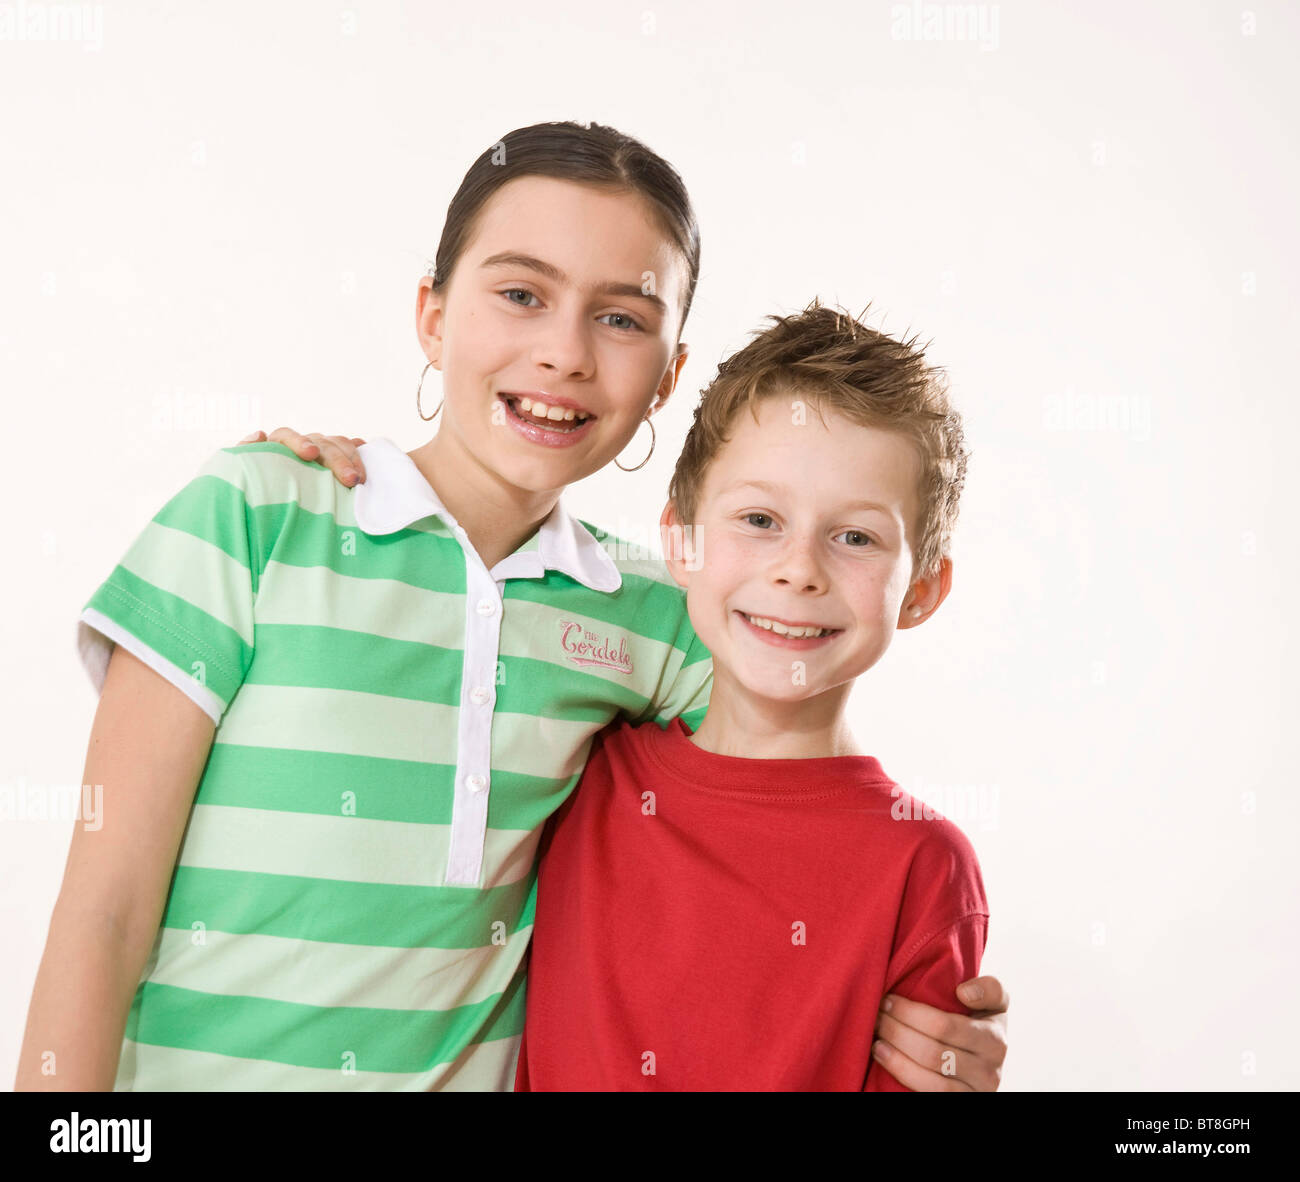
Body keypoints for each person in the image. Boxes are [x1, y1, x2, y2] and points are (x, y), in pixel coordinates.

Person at [17, 119, 1005, 1091]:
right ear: (433, 315)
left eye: (620, 317)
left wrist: (914, 1006)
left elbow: (790, 814)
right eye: (522, 294)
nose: (565, 353)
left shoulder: (660, 616)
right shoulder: (256, 513)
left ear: (667, 376)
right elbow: (103, 910)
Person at [516, 300, 984, 1089]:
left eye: (856, 537)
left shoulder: (922, 865)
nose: (798, 569)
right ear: (682, 541)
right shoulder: (579, 762)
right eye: (761, 519)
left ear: (923, 591)